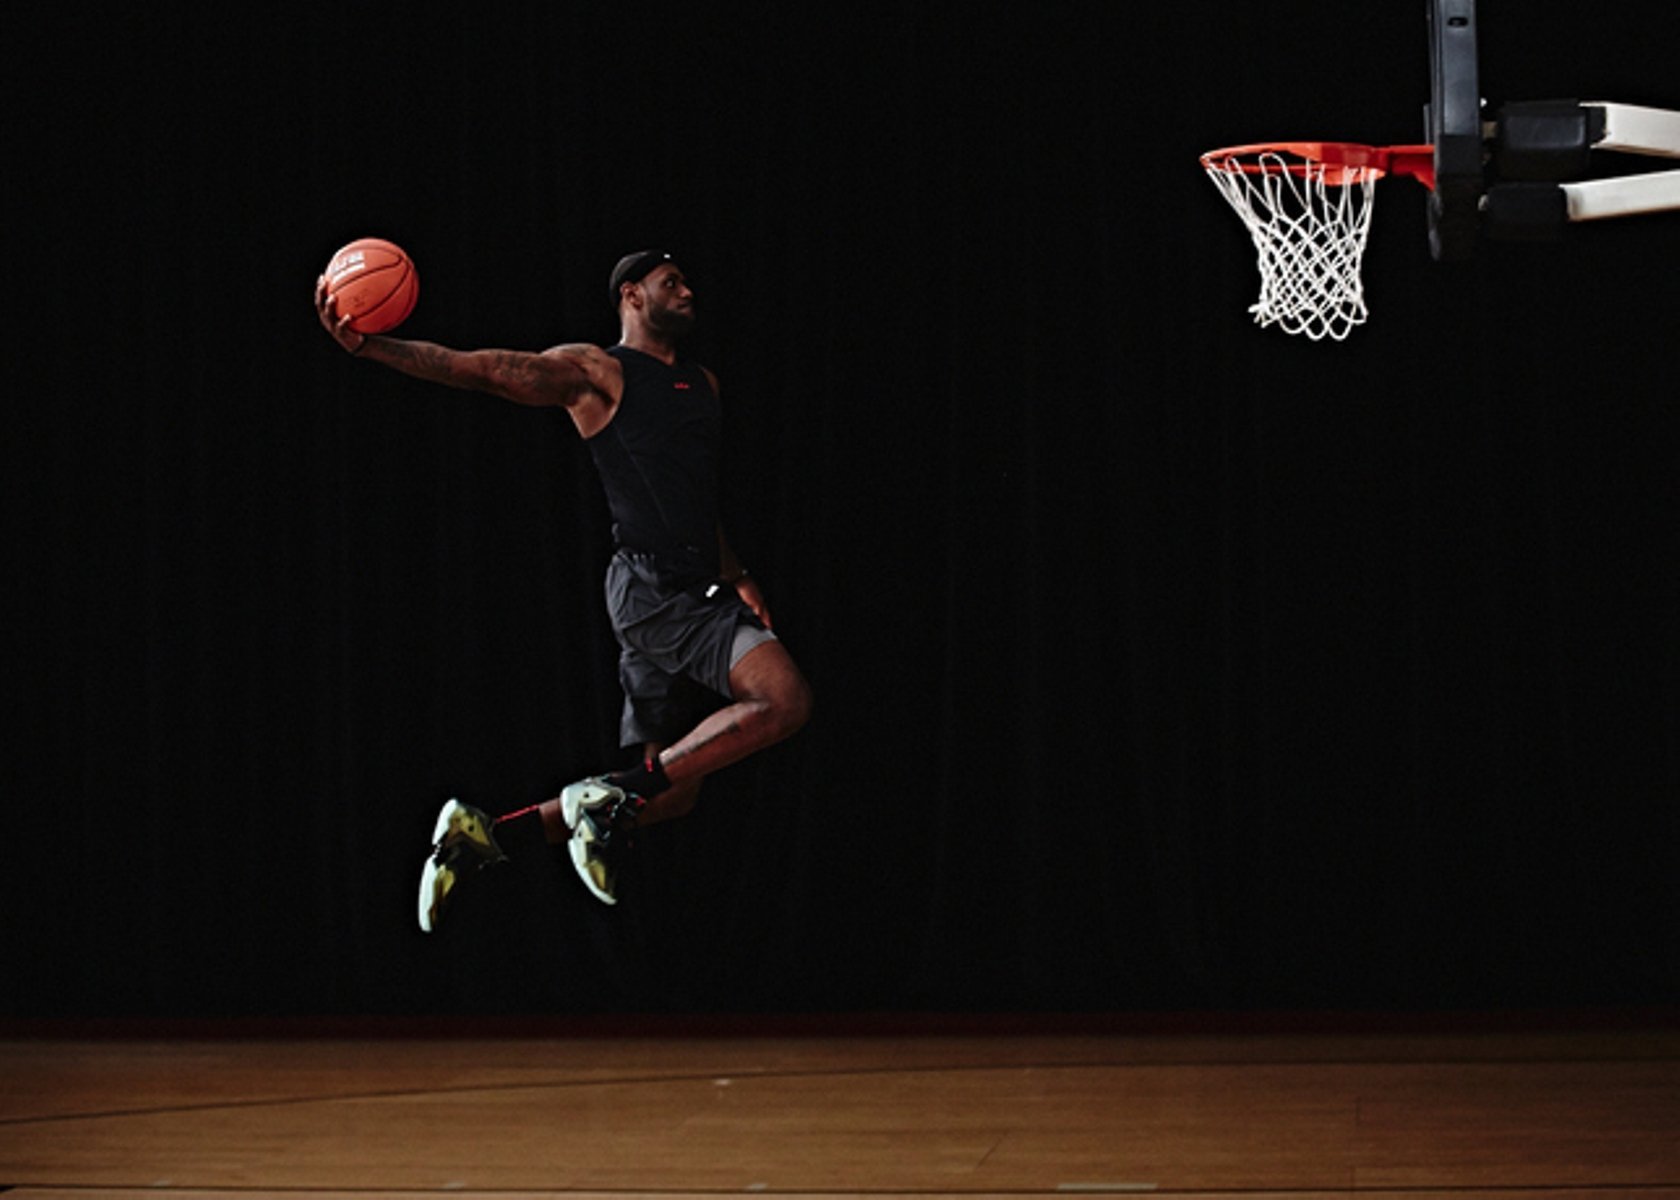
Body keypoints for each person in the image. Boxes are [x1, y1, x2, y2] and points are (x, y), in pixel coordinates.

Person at [314, 250, 813, 927]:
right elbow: (477, 368)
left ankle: (482, 837)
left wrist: (738, 573)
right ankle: (602, 801)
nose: (687, 290)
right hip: (655, 591)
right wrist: (371, 346)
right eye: (671, 282)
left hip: (690, 587)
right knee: (784, 700)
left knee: (669, 792)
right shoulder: (595, 372)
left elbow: (694, 498)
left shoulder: (704, 384)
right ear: (631, 295)